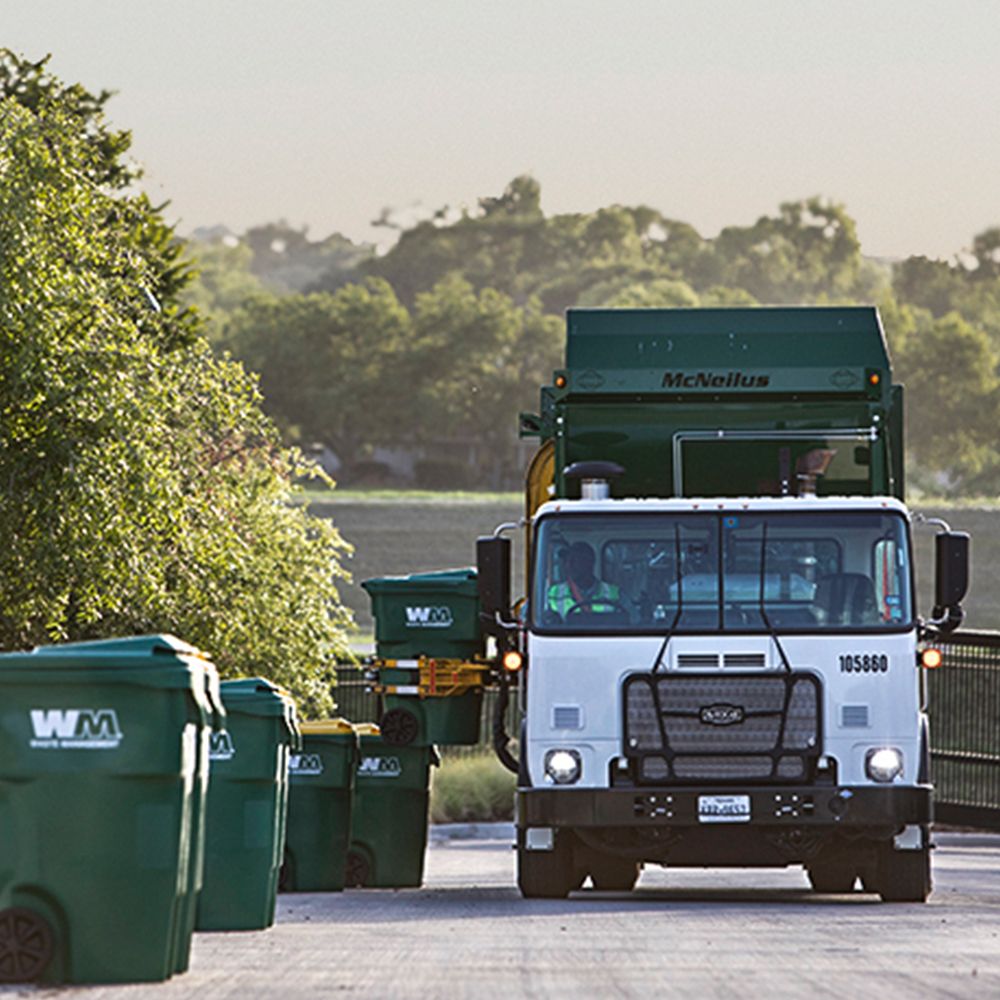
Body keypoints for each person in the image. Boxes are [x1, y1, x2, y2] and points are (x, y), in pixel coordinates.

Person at [546, 541, 620, 618]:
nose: (569, 565)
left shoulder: (615, 594)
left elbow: (630, 620)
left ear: (589, 563)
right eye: (566, 561)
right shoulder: (553, 594)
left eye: (574, 561)